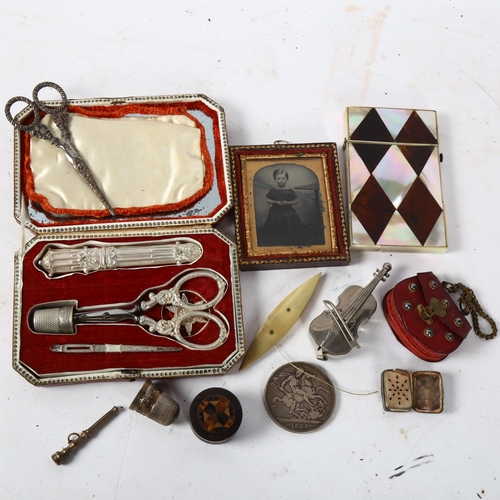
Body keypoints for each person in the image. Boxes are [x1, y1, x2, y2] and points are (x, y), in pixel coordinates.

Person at [258, 168, 307, 247]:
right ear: (275, 179)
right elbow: (268, 200)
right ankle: (276, 240)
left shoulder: (289, 190)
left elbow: (296, 201)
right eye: (278, 178)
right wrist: (275, 202)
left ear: (287, 179)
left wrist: (288, 203)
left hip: (288, 211)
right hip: (275, 211)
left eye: (283, 178)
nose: (281, 180)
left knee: (290, 227)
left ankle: (289, 241)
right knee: (275, 229)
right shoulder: (273, 190)